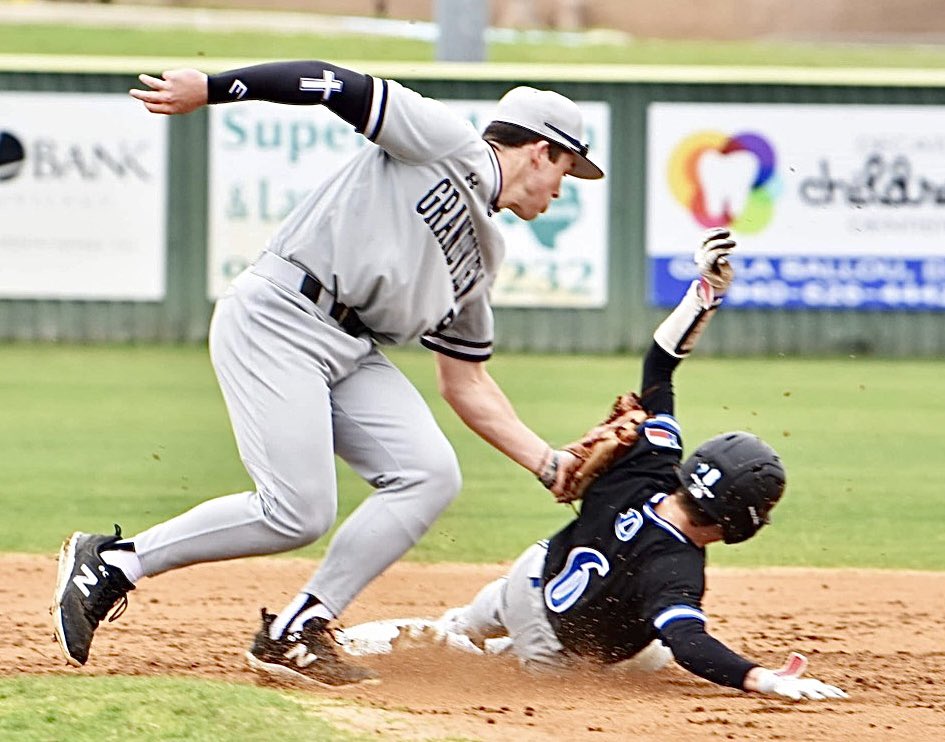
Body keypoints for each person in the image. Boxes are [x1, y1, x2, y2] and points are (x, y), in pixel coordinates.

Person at [52, 59, 603, 686]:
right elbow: (329, 82)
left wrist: (548, 463)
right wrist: (213, 89)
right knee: (298, 511)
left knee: (429, 474)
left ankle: (297, 631)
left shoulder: (485, 254)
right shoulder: (446, 142)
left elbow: (466, 382)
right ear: (539, 151)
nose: (563, 187)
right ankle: (115, 562)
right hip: (282, 313)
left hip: (351, 349)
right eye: (566, 168)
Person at [341, 231, 848, 702]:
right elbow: (690, 643)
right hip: (553, 643)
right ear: (737, 522)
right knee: (579, 668)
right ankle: (457, 652)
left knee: (473, 626)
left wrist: (702, 295)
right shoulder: (675, 567)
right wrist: (760, 678)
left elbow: (659, 366)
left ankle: (402, 637)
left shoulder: (651, 464)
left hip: (531, 574)